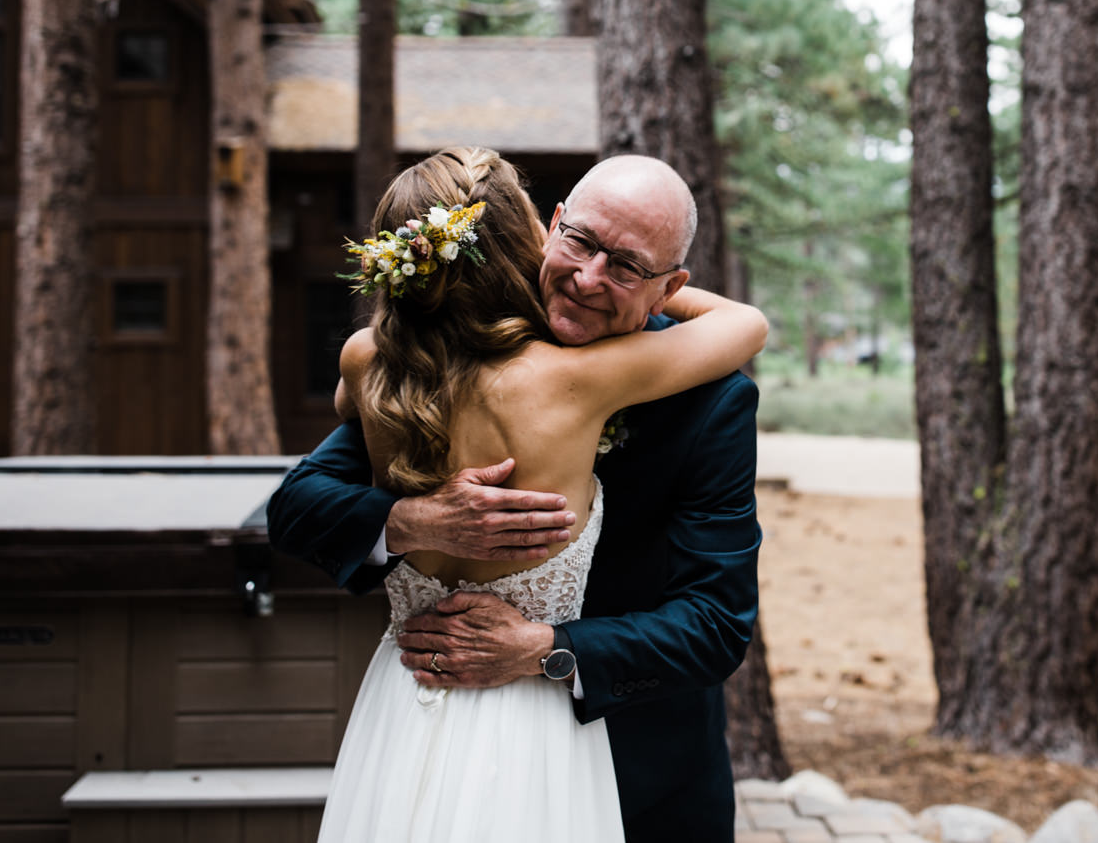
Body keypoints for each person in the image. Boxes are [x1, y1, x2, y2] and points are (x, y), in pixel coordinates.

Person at [272, 151, 767, 842]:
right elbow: (300, 504)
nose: (589, 278)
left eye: (625, 266)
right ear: (548, 228)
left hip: (644, 764)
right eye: (581, 242)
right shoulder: (441, 357)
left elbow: (715, 622)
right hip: (443, 742)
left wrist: (545, 648)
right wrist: (416, 519)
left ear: (671, 286)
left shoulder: (710, 397)